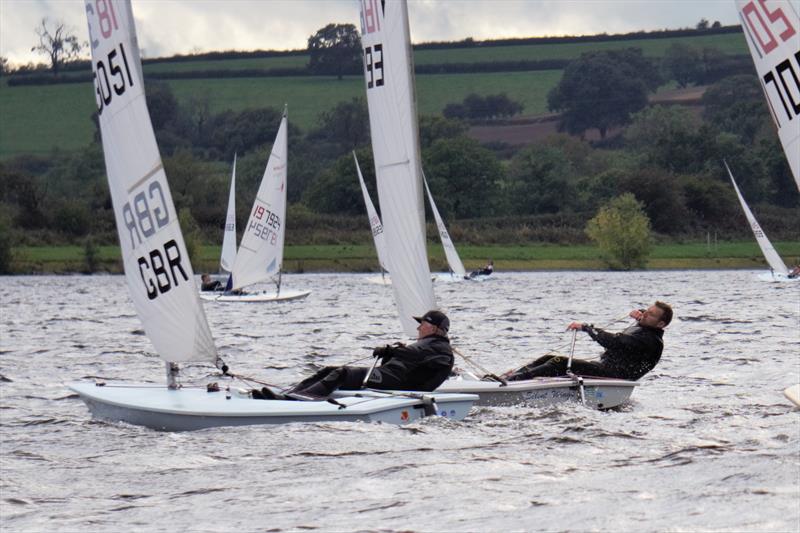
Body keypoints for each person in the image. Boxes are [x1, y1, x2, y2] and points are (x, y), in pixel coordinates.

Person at [254, 310, 454, 399]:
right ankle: (290, 394)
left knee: (343, 373)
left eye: (423, 324)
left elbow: (420, 359)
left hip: (400, 385)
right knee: (330, 370)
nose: (418, 327)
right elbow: (414, 357)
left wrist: (393, 351)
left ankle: (299, 401)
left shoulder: (442, 350)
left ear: (435, 329)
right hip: (392, 377)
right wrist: (393, 354)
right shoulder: (429, 344)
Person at [501, 301, 673, 382]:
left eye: (650, 314)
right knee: (549, 358)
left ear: (661, 324)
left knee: (560, 362)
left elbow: (614, 342)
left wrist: (586, 327)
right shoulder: (647, 328)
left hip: (615, 377)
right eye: (646, 311)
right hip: (606, 369)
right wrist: (642, 313)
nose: (644, 315)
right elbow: (641, 326)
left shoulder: (651, 341)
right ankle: (510, 377)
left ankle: (512, 382)